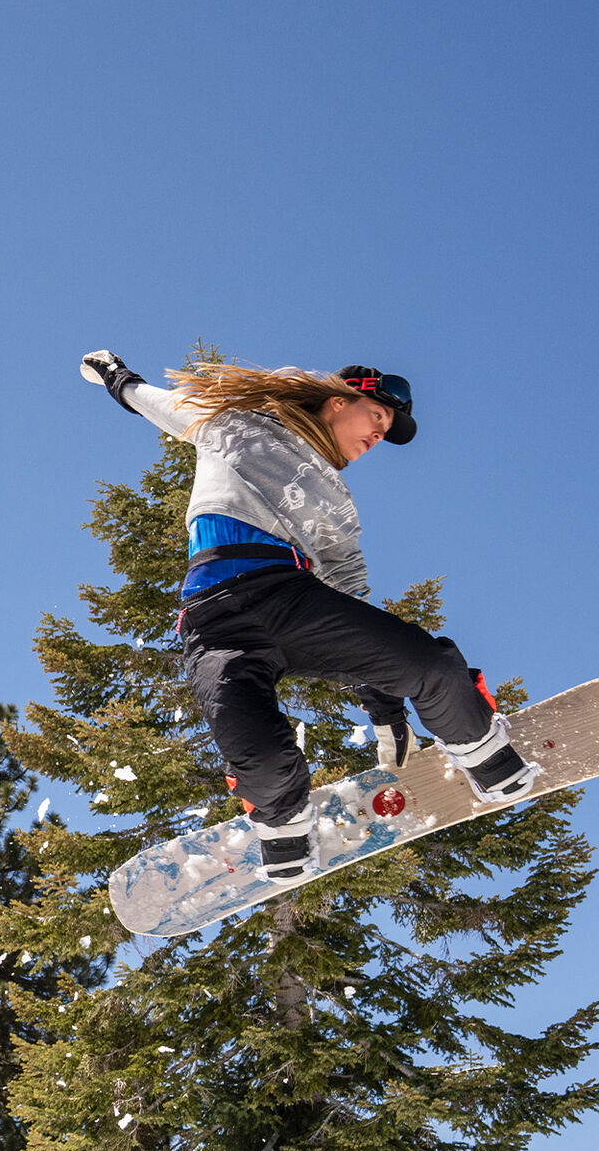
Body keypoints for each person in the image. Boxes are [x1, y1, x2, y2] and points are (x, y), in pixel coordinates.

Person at [80, 353, 537, 877]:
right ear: (339, 402)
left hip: (292, 600)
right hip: (215, 623)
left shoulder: (339, 504)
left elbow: (353, 600)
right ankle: (283, 825)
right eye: (377, 417)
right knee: (260, 756)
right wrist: (117, 376)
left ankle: (481, 750)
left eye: (386, 431)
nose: (378, 436)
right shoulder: (235, 428)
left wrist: (385, 707)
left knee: (430, 666)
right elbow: (161, 404)